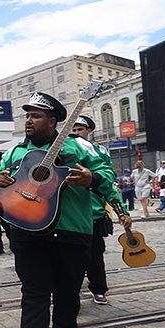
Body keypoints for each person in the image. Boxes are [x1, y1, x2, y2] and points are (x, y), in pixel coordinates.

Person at [0, 92, 116, 328]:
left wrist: (92, 178)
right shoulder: (14, 152)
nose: (28, 121)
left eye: (36, 115)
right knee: (34, 294)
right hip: (28, 232)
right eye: (27, 115)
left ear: (53, 120)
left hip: (73, 230)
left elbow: (109, 177)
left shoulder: (81, 147)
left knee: (69, 291)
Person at [71, 115, 132, 306]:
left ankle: (98, 289)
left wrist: (123, 212)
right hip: (69, 215)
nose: (75, 132)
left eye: (80, 129)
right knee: (69, 260)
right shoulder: (64, 148)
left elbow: (108, 184)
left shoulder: (99, 152)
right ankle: (69, 296)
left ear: (89, 130)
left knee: (95, 256)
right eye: (72, 129)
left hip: (94, 214)